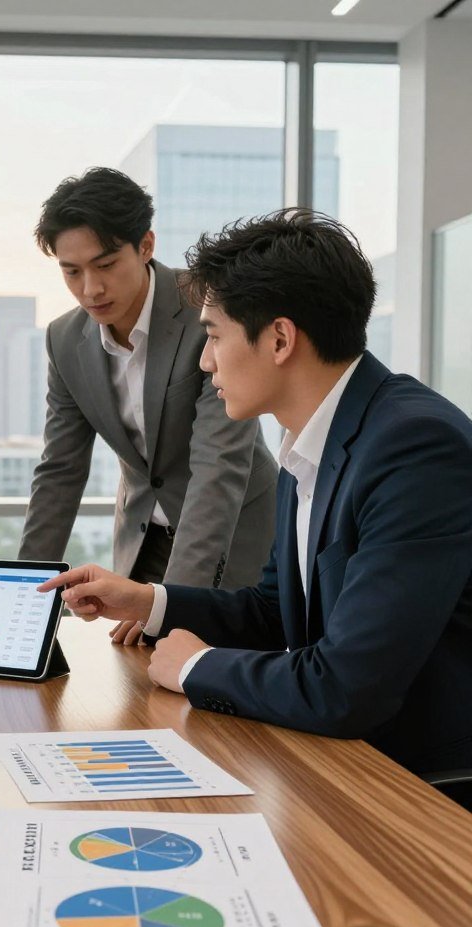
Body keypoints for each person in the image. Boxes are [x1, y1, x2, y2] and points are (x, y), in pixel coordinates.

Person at [42, 208, 472, 782]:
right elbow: (274, 612)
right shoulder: (312, 436)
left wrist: (197, 666)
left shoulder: (414, 446)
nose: (204, 359)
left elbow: (346, 687)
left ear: (279, 339)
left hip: (423, 788)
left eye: (214, 335)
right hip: (346, 762)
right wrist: (149, 601)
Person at [18, 167, 277, 645]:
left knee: (217, 686)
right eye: (71, 271)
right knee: (140, 684)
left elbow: (218, 468)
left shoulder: (209, 308)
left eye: (106, 264)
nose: (90, 288)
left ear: (146, 245)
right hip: (143, 541)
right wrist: (20, 599)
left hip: (234, 536)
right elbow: (60, 469)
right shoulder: (64, 338)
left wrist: (171, 604)